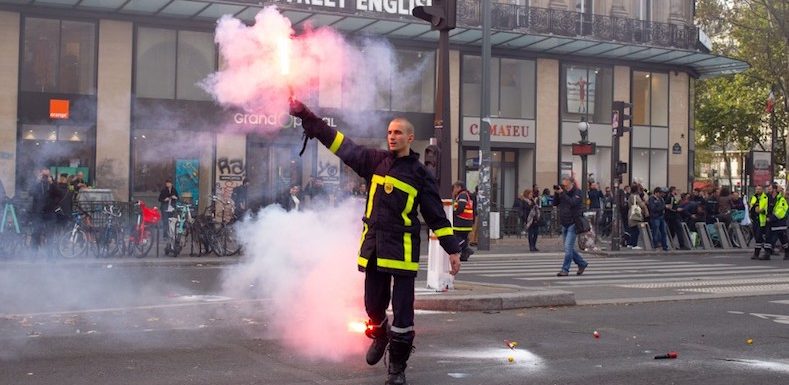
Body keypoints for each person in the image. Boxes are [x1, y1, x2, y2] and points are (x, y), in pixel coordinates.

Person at [290, 100, 461, 385]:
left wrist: (452, 249)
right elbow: (341, 144)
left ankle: (397, 368)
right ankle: (380, 334)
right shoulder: (375, 161)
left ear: (410, 138)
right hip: (375, 249)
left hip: (403, 252)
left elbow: (435, 216)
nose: (392, 136)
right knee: (372, 306)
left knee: (404, 314)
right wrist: (308, 116)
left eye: (398, 132)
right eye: (389, 132)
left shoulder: (420, 175)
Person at [552, 177, 588, 276]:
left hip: (573, 223)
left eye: (566, 185)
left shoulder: (578, 192)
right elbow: (554, 203)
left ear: (571, 183)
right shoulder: (562, 193)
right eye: (563, 185)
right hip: (564, 223)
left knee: (568, 248)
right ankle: (582, 263)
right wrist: (556, 193)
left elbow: (572, 202)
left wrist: (562, 193)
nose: (565, 187)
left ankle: (565, 270)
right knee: (569, 248)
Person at [29, 168, 63, 253]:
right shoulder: (37, 184)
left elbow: (60, 194)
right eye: (43, 175)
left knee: (50, 235)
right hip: (38, 213)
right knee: (36, 234)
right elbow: (30, 192)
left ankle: (50, 256)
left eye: (46, 176)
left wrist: (52, 183)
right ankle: (33, 255)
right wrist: (37, 181)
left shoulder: (52, 185)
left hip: (50, 213)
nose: (45, 178)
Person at [763, 183, 788, 261]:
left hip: (779, 222)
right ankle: (767, 254)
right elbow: (766, 208)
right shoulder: (768, 198)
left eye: (770, 188)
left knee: (782, 238)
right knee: (769, 237)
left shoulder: (781, 199)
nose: (768, 190)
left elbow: (781, 211)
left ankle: (787, 252)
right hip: (770, 222)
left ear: (774, 190)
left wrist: (772, 218)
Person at [451, 181, 475, 261]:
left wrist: (453, 214)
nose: (453, 190)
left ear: (459, 188)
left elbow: (460, 207)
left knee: (455, 237)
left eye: (454, 188)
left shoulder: (462, 195)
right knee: (463, 238)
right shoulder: (466, 195)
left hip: (461, 221)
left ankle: (467, 249)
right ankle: (464, 255)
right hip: (467, 221)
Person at [749, 184, 768, 260]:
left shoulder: (765, 198)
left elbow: (767, 208)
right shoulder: (753, 197)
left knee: (759, 237)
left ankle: (758, 253)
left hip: (762, 220)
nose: (758, 190)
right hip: (755, 220)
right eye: (757, 189)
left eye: (759, 189)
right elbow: (751, 207)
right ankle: (760, 251)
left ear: (762, 190)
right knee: (757, 237)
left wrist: (762, 211)